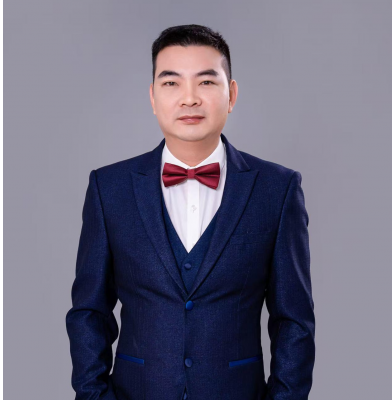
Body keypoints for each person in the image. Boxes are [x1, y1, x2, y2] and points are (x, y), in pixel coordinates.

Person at [66, 24, 315, 400]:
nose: (189, 98)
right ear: (153, 97)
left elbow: (294, 321)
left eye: (206, 82)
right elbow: (89, 312)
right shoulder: (109, 188)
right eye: (171, 83)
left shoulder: (277, 190)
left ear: (231, 94)